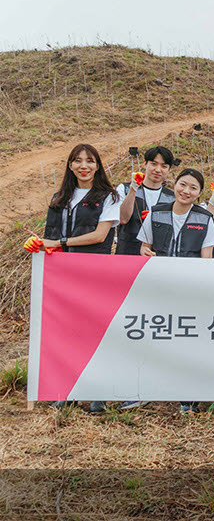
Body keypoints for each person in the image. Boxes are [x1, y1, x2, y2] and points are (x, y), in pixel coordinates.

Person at [43, 144, 121, 414]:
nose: (83, 166)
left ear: (98, 165)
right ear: (70, 166)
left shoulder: (109, 197)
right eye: (77, 161)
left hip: (94, 272)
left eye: (89, 161)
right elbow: (47, 238)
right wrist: (40, 245)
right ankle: (66, 390)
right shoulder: (59, 198)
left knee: (95, 331)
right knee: (66, 332)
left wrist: (61, 242)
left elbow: (100, 236)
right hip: (62, 274)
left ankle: (99, 393)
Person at [137, 168, 214, 415]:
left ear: (199, 193)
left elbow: (207, 259)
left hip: (189, 292)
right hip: (159, 287)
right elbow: (144, 247)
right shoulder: (156, 213)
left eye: (193, 188)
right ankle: (144, 390)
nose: (187, 191)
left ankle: (188, 399)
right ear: (175, 185)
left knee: (188, 342)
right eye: (183, 185)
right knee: (155, 336)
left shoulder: (205, 218)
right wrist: (146, 252)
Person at [116, 146, 175, 255]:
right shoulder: (124, 189)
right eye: (153, 164)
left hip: (156, 256)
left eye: (164, 166)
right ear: (145, 164)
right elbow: (122, 219)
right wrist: (133, 190)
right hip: (127, 254)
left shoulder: (172, 198)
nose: (158, 170)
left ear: (169, 169)